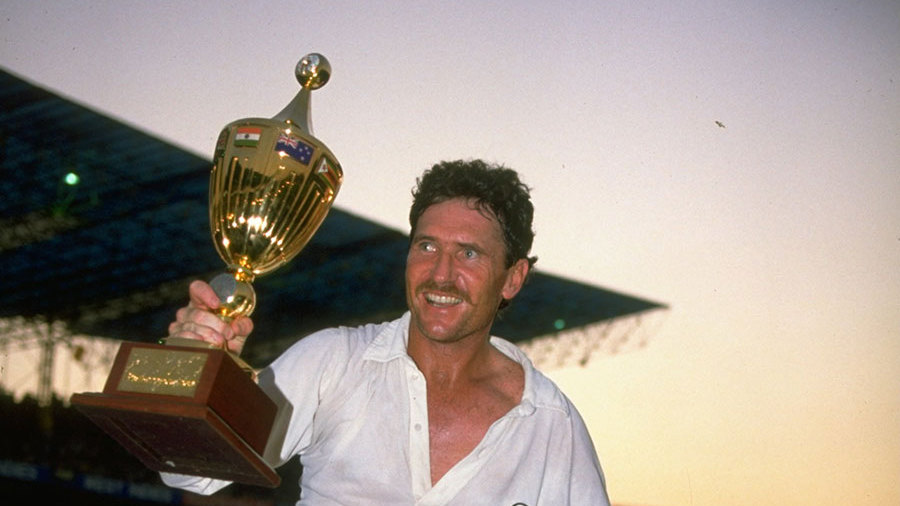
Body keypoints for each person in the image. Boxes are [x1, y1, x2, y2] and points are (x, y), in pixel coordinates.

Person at [161, 159, 610, 505]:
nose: (440, 274)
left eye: (469, 254)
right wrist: (194, 371)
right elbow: (192, 472)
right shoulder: (333, 363)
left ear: (513, 278)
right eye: (427, 246)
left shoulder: (551, 423)